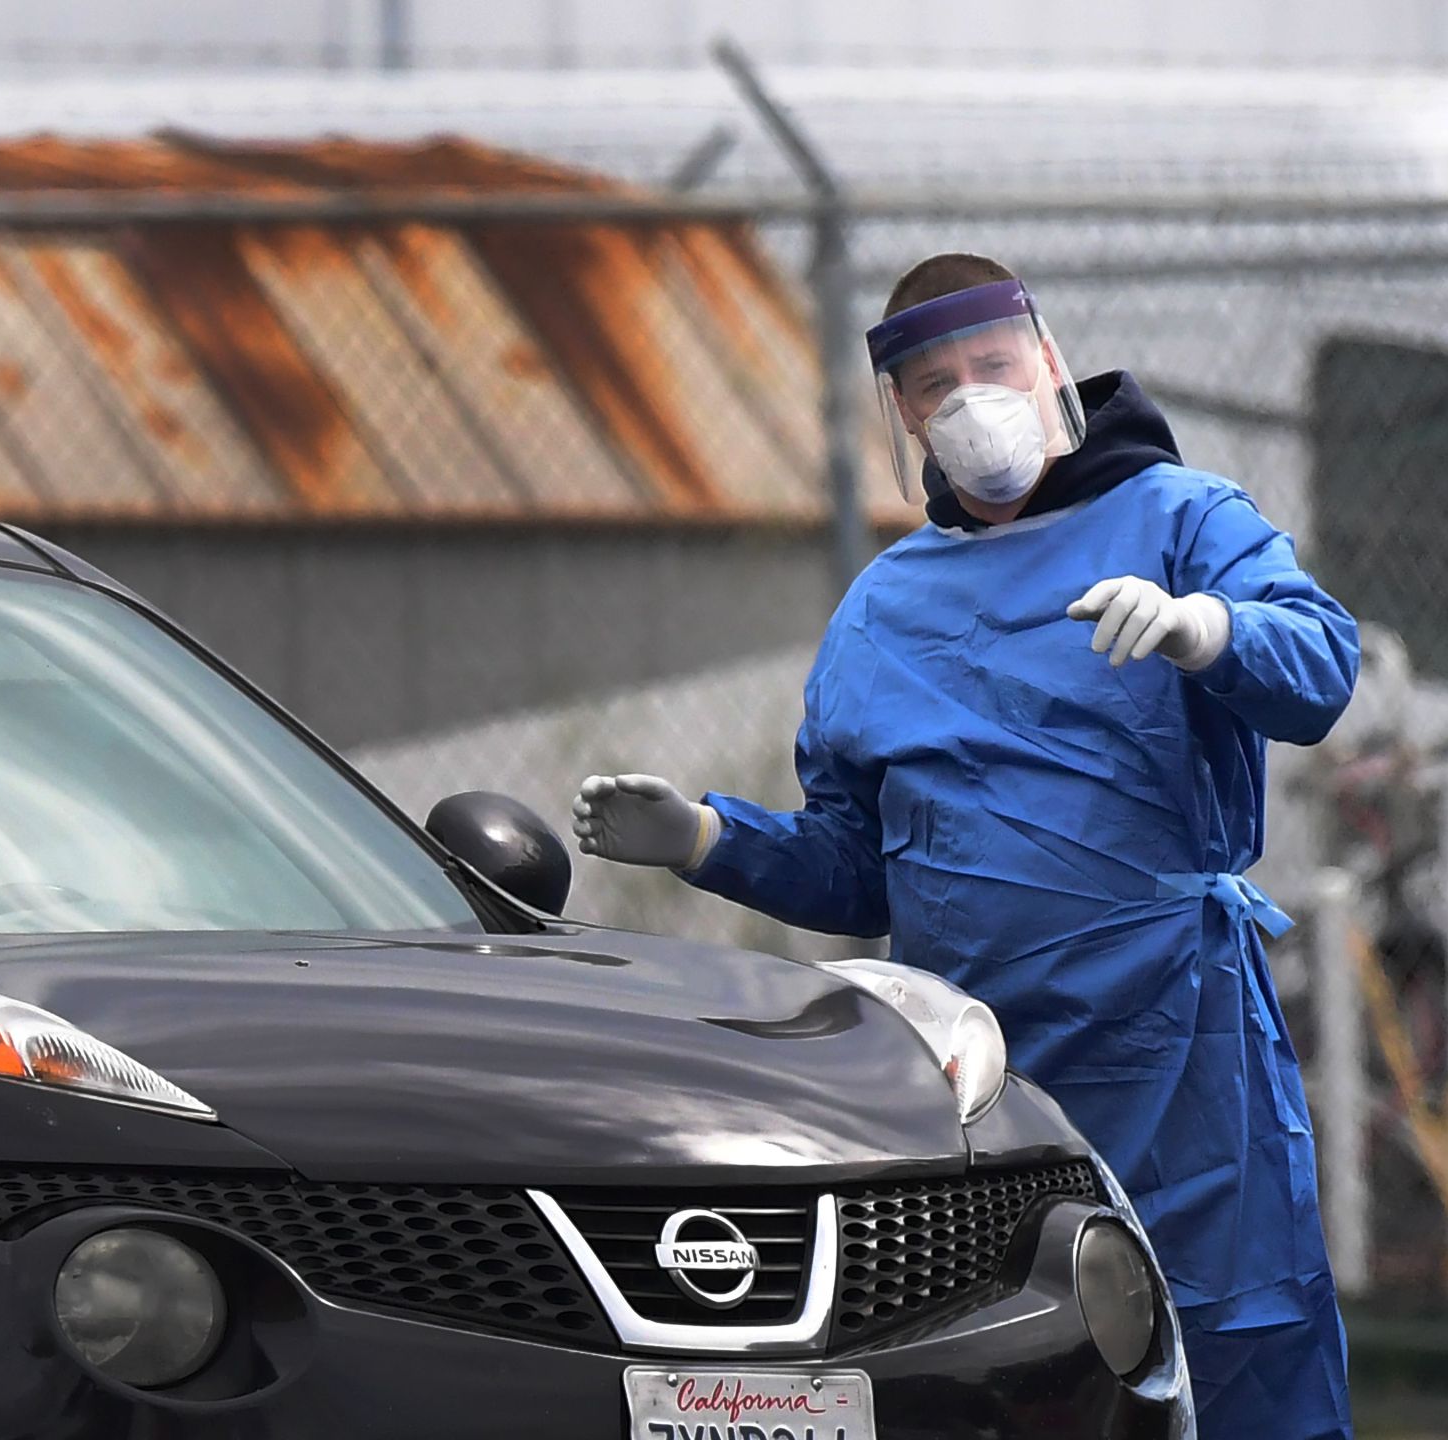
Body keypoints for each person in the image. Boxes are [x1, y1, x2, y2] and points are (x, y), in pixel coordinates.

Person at [572, 254, 1357, 1440]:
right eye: (933, 385)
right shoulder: (887, 609)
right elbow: (854, 869)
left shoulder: (1181, 518)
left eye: (991, 366)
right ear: (903, 419)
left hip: (1177, 1045)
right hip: (981, 1064)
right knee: (1015, 1362)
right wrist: (704, 838)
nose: (969, 401)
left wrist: (1210, 629)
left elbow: (1318, 671)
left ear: (1047, 365)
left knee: (1234, 1344)